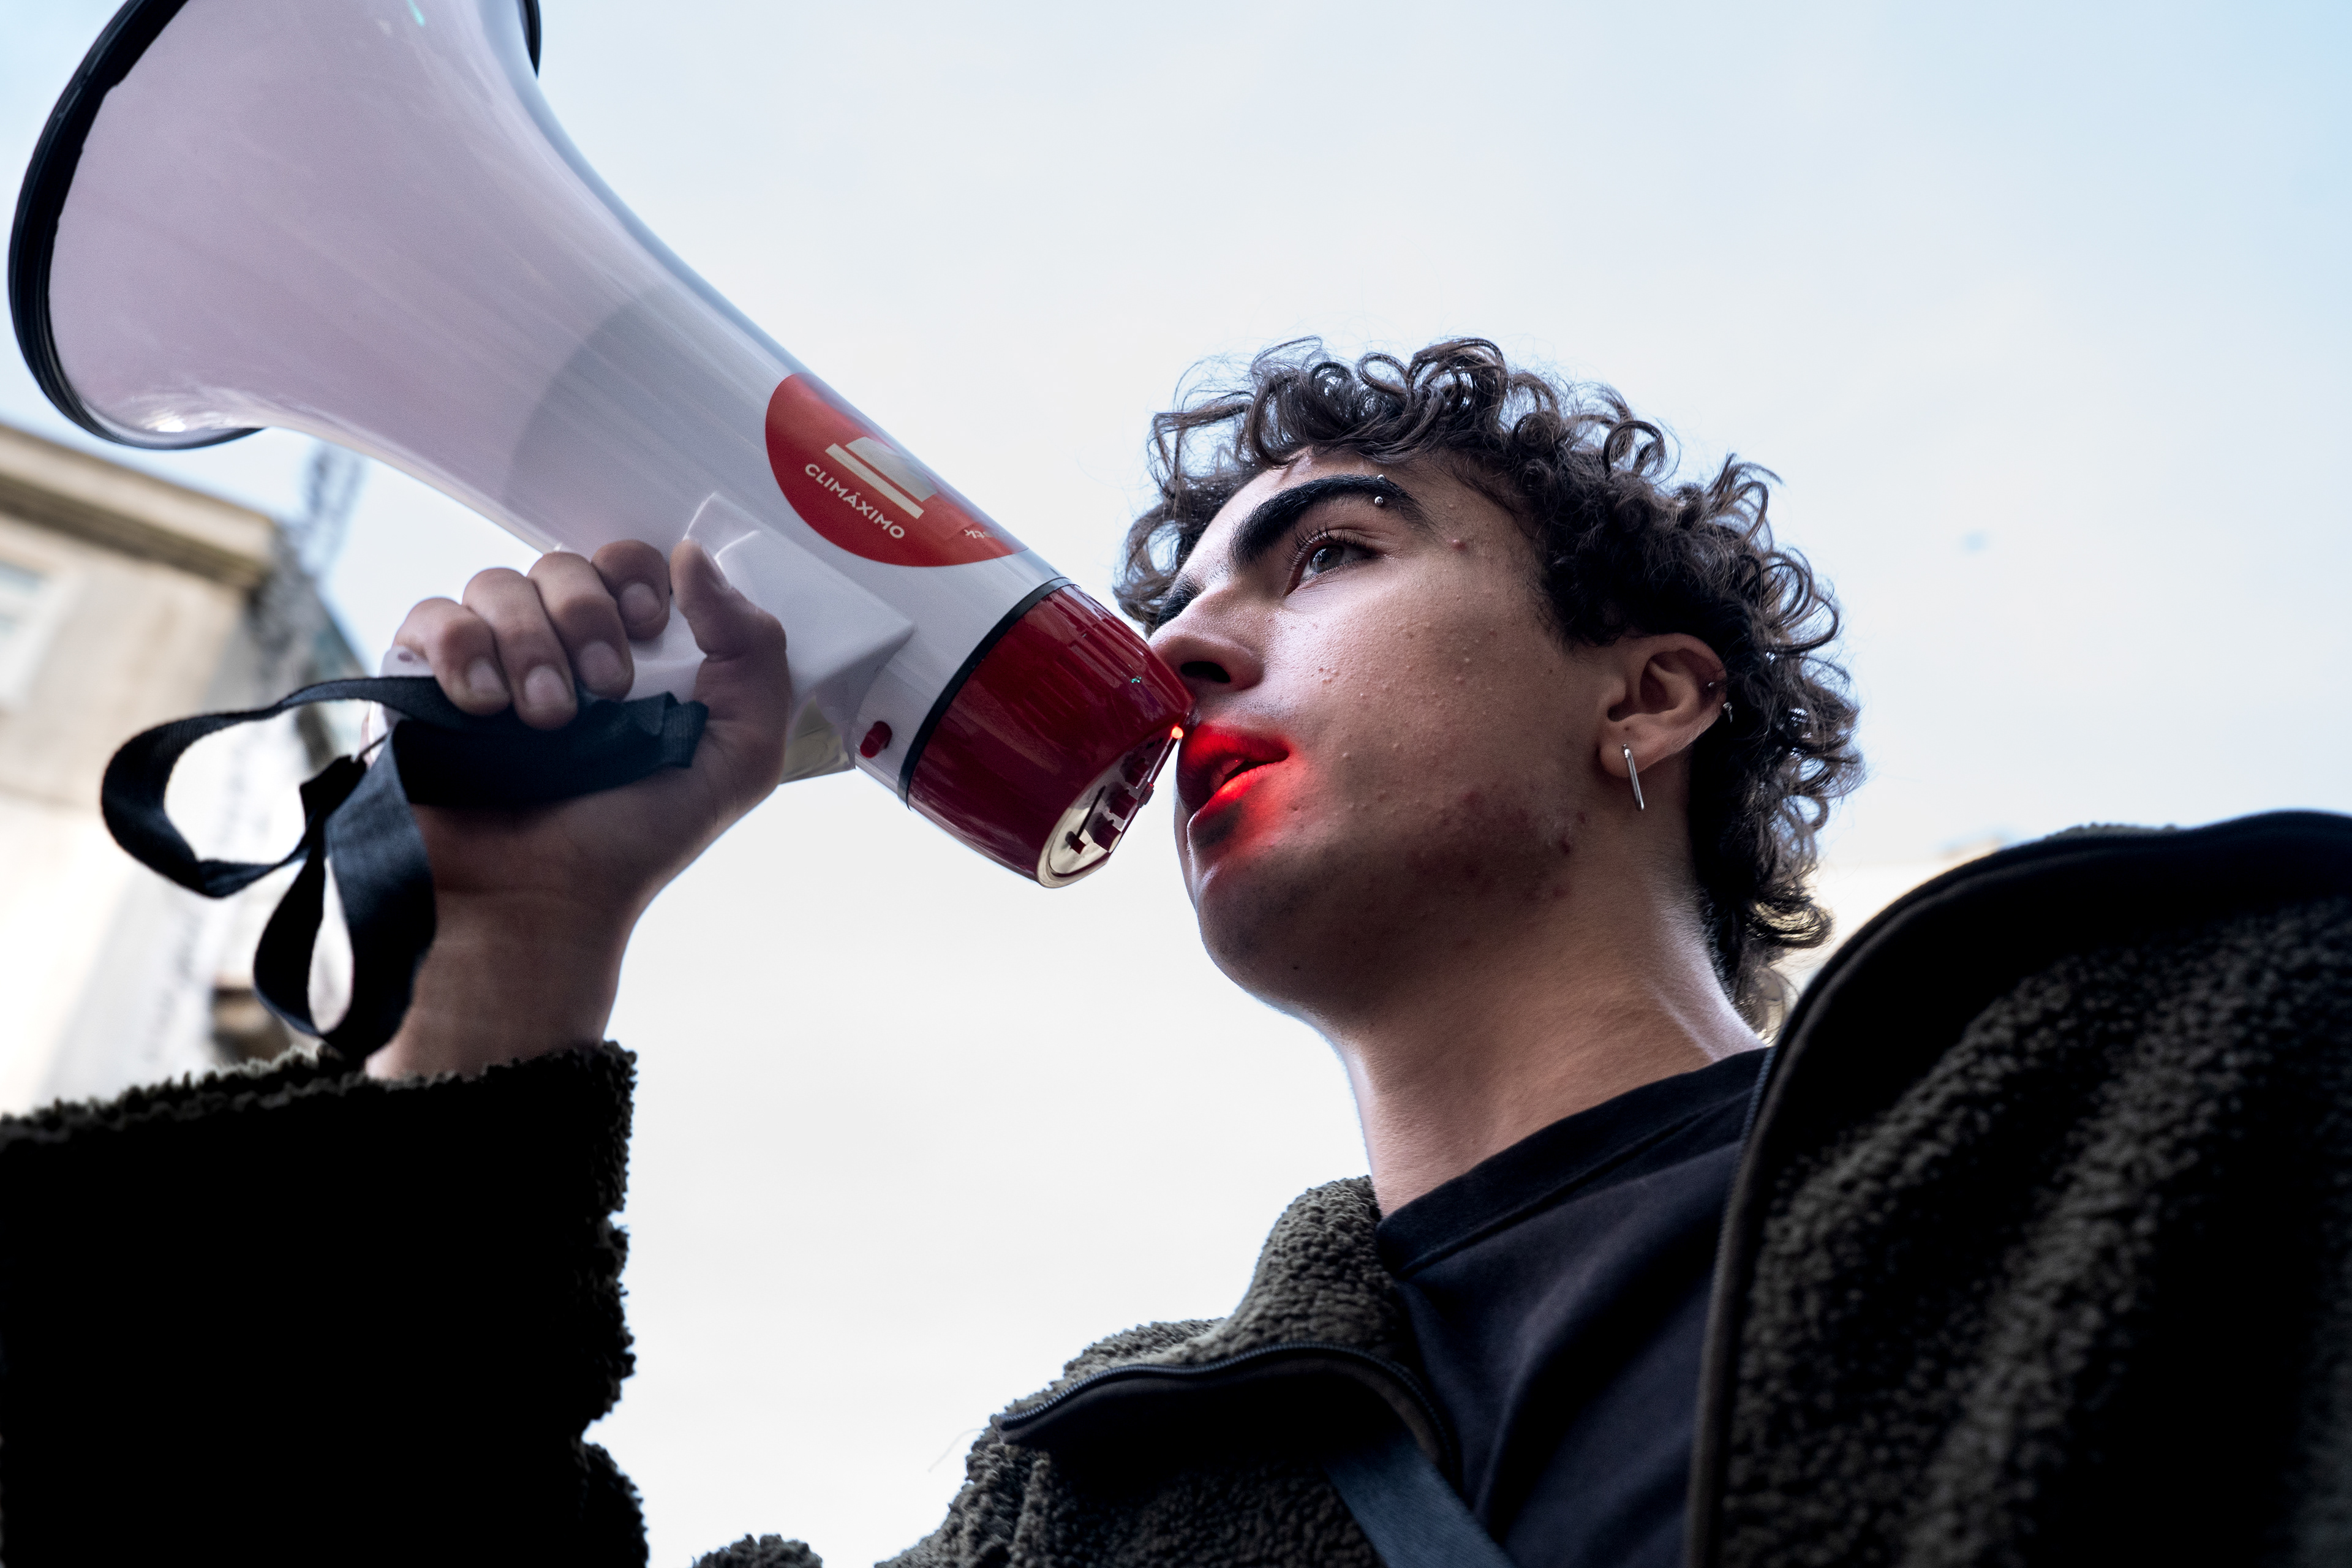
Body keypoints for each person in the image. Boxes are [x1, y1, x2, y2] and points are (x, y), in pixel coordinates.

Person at [1, 341, 2346, 1568]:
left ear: (1647, 694)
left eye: (1318, 560)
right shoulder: (1092, 1499)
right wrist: (518, 955)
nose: (1181, 655)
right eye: (1166, 608)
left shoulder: (2210, 1067)